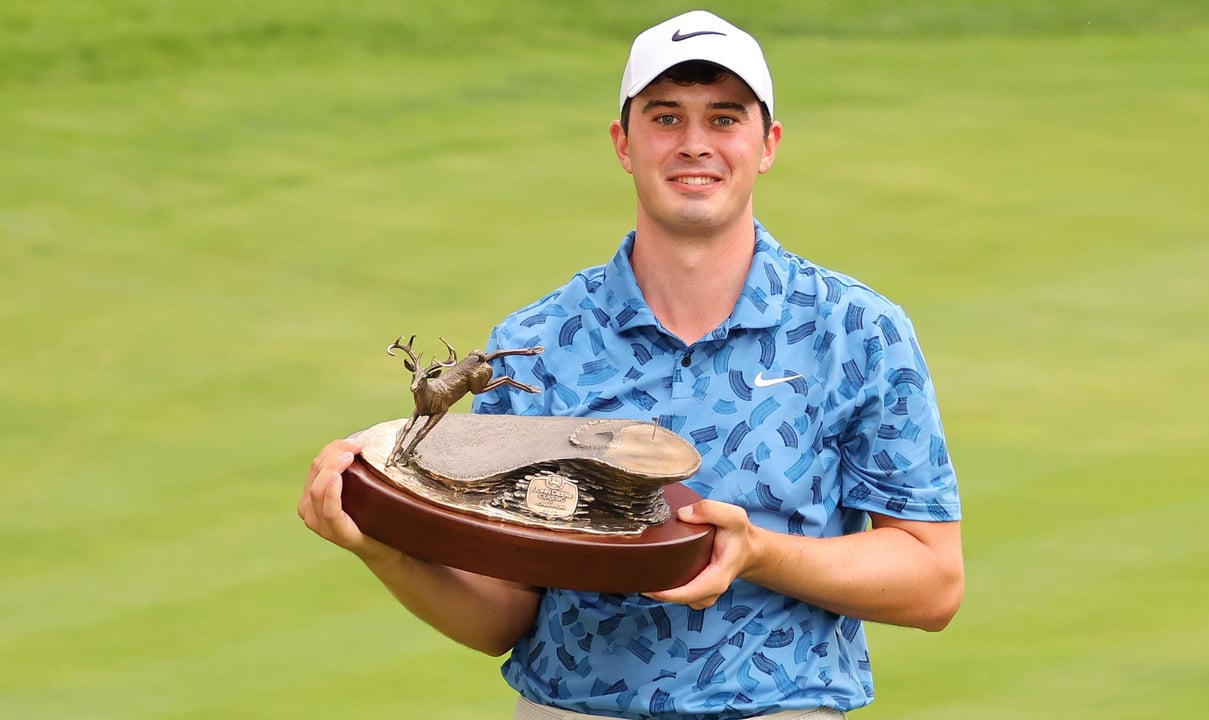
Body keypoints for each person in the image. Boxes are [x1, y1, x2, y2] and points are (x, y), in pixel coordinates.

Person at [298, 10, 963, 719]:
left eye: (725, 119)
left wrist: (758, 553)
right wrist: (385, 551)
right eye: (666, 118)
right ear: (624, 142)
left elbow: (932, 582)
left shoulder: (856, 331)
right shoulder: (538, 341)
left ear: (767, 144)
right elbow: (504, 616)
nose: (695, 145)